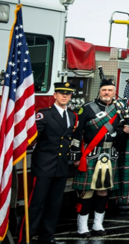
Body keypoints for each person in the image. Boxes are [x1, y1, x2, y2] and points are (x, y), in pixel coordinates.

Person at [74, 78, 129, 235]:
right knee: (87, 191)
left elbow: (119, 137)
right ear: (99, 91)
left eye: (110, 90)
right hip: (90, 154)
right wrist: (76, 156)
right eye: (104, 90)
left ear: (114, 93)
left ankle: (98, 225)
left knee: (103, 191)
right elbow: (77, 133)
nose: (107, 93)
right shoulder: (87, 108)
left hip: (109, 154)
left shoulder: (119, 110)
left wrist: (124, 132)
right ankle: (82, 226)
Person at [28, 82, 78, 244]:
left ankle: (46, 236)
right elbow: (32, 137)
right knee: (36, 205)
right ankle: (26, 238)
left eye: (68, 93)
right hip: (44, 166)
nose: (65, 96)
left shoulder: (71, 116)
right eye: (61, 93)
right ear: (54, 95)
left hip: (61, 167)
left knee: (54, 205)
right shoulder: (44, 115)